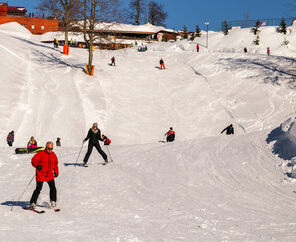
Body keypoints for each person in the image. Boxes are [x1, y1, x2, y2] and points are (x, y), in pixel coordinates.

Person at [29, 141, 59, 209]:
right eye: (48, 148)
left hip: (49, 174)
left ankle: (53, 200)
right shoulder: (40, 153)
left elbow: (55, 164)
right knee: (38, 188)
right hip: (41, 174)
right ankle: (32, 203)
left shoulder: (53, 155)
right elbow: (33, 160)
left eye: (51, 149)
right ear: (46, 147)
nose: (50, 150)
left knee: (53, 187)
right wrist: (37, 165)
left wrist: (56, 172)